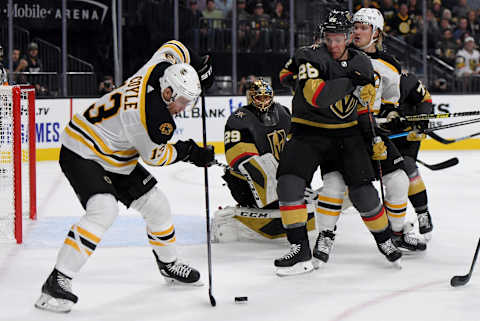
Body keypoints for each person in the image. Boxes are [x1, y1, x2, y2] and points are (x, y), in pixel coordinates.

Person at [34, 41, 215, 313]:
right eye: (183, 102)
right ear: (168, 92)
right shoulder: (148, 119)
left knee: (158, 206)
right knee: (103, 210)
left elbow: (175, 46)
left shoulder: (159, 66)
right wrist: (189, 151)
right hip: (82, 150)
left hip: (115, 153)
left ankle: (168, 264)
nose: (184, 108)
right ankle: (56, 281)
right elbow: (156, 156)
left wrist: (198, 64)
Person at [274, 10, 401, 276]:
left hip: (347, 134)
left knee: (363, 192)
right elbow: (317, 96)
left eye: (339, 39)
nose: (333, 45)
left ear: (347, 37)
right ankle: (299, 248)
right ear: (323, 37)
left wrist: (373, 138)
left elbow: (363, 108)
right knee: (288, 183)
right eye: (328, 39)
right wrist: (350, 82)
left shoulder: (363, 62)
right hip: (309, 132)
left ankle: (385, 239)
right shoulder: (310, 56)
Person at [312, 8, 426, 263]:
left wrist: (392, 117)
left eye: (364, 27)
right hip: (339, 131)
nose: (357, 32)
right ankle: (325, 235)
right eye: (355, 27)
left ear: (377, 33)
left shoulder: (389, 65)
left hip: (372, 132)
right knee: (335, 184)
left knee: (398, 180)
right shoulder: (337, 55)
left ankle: (396, 233)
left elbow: (389, 103)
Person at [212, 79, 316, 242]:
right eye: (258, 97)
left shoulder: (283, 112)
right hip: (247, 183)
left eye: (266, 97)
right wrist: (271, 177)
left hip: (281, 178)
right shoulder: (238, 119)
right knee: (264, 164)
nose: (263, 101)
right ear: (250, 97)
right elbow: (239, 155)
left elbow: (297, 141)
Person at [379, 71, 434, 241]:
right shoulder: (364, 79)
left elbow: (425, 100)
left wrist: (422, 120)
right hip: (379, 138)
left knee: (408, 168)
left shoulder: (406, 80)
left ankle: (422, 212)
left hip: (406, 138)